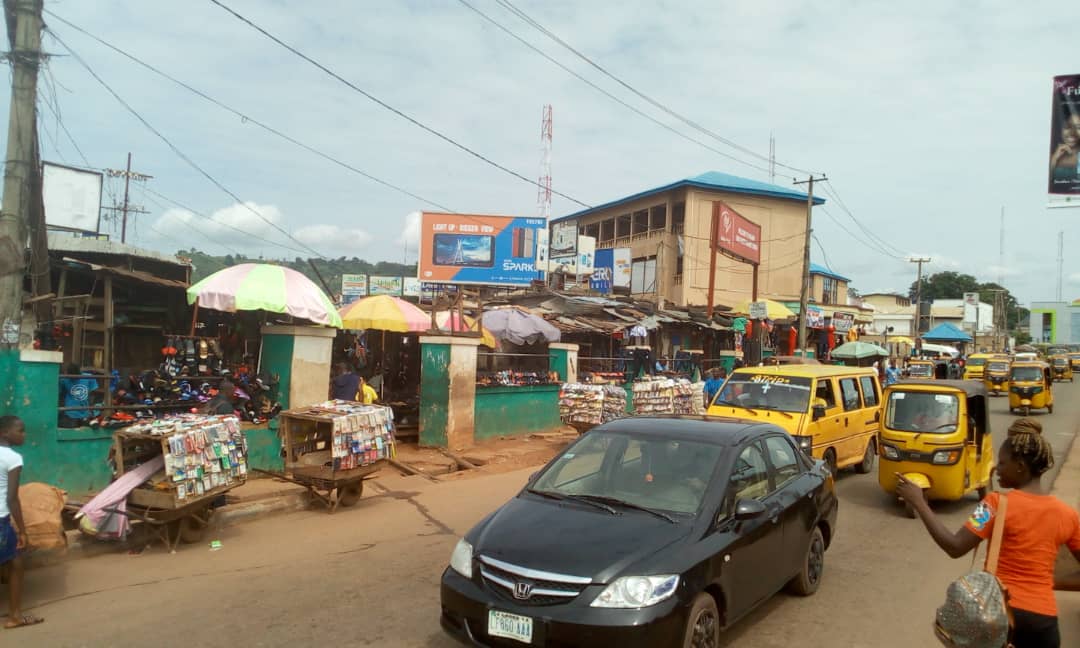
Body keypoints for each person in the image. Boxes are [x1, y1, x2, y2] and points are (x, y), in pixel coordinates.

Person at [897, 427, 1080, 647]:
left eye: (1002, 463)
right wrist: (1044, 582)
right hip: (1044, 623)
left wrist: (919, 502)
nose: (996, 467)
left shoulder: (995, 504)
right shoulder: (1068, 515)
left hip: (999, 617)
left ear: (1020, 467)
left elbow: (955, 547)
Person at [0, 416, 42, 629]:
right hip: (1, 520)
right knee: (16, 564)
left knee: (11, 562)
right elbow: (12, 498)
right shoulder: (12, 458)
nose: (24, 434)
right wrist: (23, 531)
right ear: (5, 433)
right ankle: (15, 616)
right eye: (20, 430)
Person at [58, 364, 98, 428]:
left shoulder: (89, 377)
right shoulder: (64, 379)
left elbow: (92, 394)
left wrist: (91, 409)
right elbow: (60, 394)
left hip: (85, 411)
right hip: (70, 412)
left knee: (93, 425)